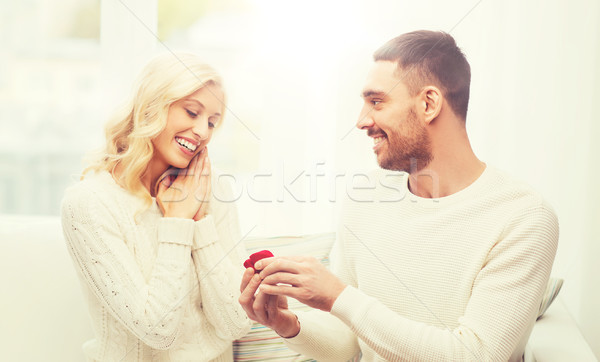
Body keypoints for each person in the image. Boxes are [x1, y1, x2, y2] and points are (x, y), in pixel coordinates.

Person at [239, 30, 559, 361]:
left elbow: (474, 355)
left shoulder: (523, 217)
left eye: (376, 102)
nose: (362, 121)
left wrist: (337, 296)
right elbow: (348, 342)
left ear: (428, 103)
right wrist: (287, 324)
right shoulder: (367, 196)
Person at [61, 53, 251, 361]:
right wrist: (177, 222)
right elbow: (158, 331)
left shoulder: (214, 190)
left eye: (212, 122)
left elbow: (236, 322)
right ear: (153, 106)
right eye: (192, 112)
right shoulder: (89, 204)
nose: (203, 131)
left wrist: (199, 219)